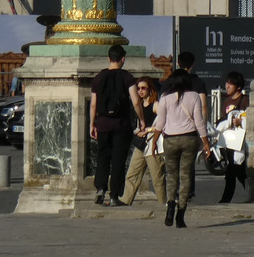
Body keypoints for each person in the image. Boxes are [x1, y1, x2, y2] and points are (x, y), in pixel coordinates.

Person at [155, 66, 211, 228]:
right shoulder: (194, 96)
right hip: (189, 139)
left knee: (171, 175)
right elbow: (199, 122)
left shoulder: (165, 98)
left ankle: (170, 204)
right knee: (185, 175)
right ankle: (181, 213)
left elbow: (160, 123)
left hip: (170, 139)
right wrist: (206, 143)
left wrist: (154, 142)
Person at [89, 45, 142, 206]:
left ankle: (100, 188)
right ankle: (114, 196)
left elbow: (93, 104)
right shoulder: (127, 77)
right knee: (119, 160)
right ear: (123, 59)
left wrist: (92, 124)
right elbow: (135, 101)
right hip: (121, 124)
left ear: (108, 58)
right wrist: (142, 120)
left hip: (103, 124)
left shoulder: (99, 78)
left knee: (103, 157)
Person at [120, 76, 167, 206]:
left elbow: (164, 122)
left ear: (150, 89)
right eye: (138, 88)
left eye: (143, 88)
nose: (140, 91)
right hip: (141, 144)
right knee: (132, 173)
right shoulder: (139, 104)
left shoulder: (155, 105)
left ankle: (163, 204)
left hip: (153, 144)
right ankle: (126, 200)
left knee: (157, 177)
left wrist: (149, 130)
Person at [216, 71, 249, 203]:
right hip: (230, 141)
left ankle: (225, 200)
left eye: (231, 84)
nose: (227, 86)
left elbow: (249, 118)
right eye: (227, 83)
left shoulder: (245, 100)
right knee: (235, 170)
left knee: (234, 170)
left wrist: (240, 121)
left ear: (238, 87)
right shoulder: (227, 101)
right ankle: (251, 192)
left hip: (240, 142)